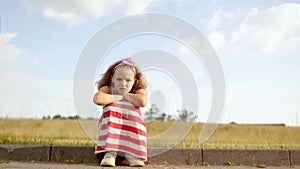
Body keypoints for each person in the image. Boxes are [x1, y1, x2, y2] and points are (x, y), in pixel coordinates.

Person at [93, 58, 148, 167]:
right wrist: (119, 96)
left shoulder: (137, 91)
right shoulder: (108, 89)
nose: (123, 84)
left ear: (134, 81)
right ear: (112, 79)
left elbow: (142, 101)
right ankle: (110, 153)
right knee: (111, 107)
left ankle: (133, 154)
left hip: (130, 130)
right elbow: (98, 99)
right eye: (119, 79)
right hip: (112, 128)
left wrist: (125, 96)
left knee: (133, 112)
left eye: (128, 80)